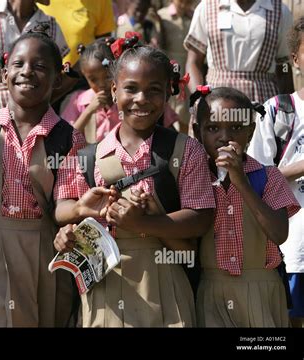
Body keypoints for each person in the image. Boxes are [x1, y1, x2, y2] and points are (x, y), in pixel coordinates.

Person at [0, 31, 114, 327]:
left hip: (45, 252)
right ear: (5, 72)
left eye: (40, 66)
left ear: (57, 80)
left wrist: (79, 210)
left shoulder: (66, 138)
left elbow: (64, 204)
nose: (26, 72)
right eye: (18, 63)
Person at [53, 39, 216, 327]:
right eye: (131, 88)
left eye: (154, 90)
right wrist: (77, 215)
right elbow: (63, 208)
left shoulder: (185, 150)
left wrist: (143, 223)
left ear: (168, 92)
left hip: (165, 282)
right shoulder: (87, 157)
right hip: (105, 284)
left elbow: (200, 217)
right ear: (114, 90)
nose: (141, 98)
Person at [191, 86, 300, 327]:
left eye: (236, 128)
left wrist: (241, 181)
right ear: (197, 133)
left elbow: (279, 234)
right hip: (210, 293)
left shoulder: (269, 177)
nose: (223, 136)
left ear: (250, 132)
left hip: (262, 292)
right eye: (212, 128)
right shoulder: (194, 179)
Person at [247, 16, 304, 328]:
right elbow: (259, 178)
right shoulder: (278, 110)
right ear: (295, 59)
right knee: (291, 320)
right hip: (294, 246)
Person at [184, 0, 294, 105]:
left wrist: (288, 109)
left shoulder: (279, 10)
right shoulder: (207, 7)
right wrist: (199, 99)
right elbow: (193, 62)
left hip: (263, 101)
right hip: (215, 100)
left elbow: (284, 65)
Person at [61, 38, 120, 144]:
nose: (101, 84)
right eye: (93, 79)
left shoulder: (124, 99)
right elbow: (66, 140)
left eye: (107, 77)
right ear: (85, 76)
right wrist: (88, 111)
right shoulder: (78, 101)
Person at [158, 0, 195, 133]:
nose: (185, 4)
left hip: (190, 68)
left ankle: (185, 143)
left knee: (186, 109)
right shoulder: (162, 16)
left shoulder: (194, 16)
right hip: (172, 67)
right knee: (173, 105)